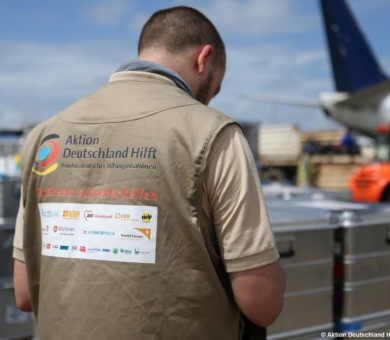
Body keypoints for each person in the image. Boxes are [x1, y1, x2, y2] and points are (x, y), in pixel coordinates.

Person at [13, 6, 285, 340]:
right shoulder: (215, 134)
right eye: (215, 86)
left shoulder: (44, 135)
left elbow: (24, 294)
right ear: (204, 59)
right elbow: (262, 304)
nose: (211, 98)